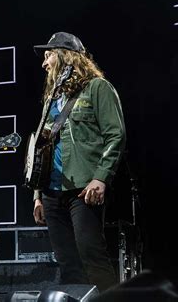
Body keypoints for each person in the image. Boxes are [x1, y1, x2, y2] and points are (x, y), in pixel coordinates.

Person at [31, 32, 126, 292]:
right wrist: (37, 194)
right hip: (51, 191)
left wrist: (101, 177)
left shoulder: (98, 87)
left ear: (65, 55)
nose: (44, 63)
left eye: (48, 55)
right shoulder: (51, 98)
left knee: (91, 255)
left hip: (83, 187)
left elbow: (115, 134)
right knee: (67, 263)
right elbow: (42, 146)